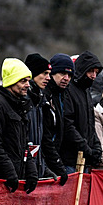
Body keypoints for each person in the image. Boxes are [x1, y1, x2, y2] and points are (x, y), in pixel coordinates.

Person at [0, 58, 38, 194]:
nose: (27, 85)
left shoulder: (19, 106)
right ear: (11, 82)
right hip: (1, 180)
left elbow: (24, 144)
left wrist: (31, 171)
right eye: (23, 81)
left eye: (28, 80)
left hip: (15, 179)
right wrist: (9, 172)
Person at [61, 50, 103, 173]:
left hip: (84, 160)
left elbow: (90, 124)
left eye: (96, 72)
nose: (94, 76)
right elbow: (68, 125)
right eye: (91, 71)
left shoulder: (86, 92)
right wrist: (86, 149)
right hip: (70, 160)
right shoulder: (69, 90)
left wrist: (96, 147)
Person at [40, 53, 73, 185]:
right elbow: (46, 136)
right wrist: (57, 165)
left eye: (70, 75)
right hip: (43, 162)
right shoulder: (45, 96)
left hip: (53, 161)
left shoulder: (61, 96)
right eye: (62, 74)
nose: (66, 78)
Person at [24, 53, 54, 179]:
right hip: (23, 172)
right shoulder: (24, 101)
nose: (48, 78)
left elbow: (39, 142)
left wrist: (43, 168)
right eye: (44, 73)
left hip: (36, 171)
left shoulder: (40, 101)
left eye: (49, 73)